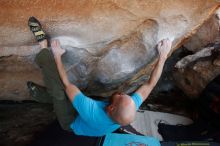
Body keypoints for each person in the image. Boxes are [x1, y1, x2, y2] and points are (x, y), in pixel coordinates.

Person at [27, 17, 172, 136]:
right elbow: (150, 84)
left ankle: (42, 45)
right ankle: (42, 96)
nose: (122, 93)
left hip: (71, 121)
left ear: (111, 108)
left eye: (120, 97)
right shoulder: (126, 107)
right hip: (88, 117)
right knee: (66, 97)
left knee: (58, 92)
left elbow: (67, 84)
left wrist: (57, 55)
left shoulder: (92, 111)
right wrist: (163, 56)